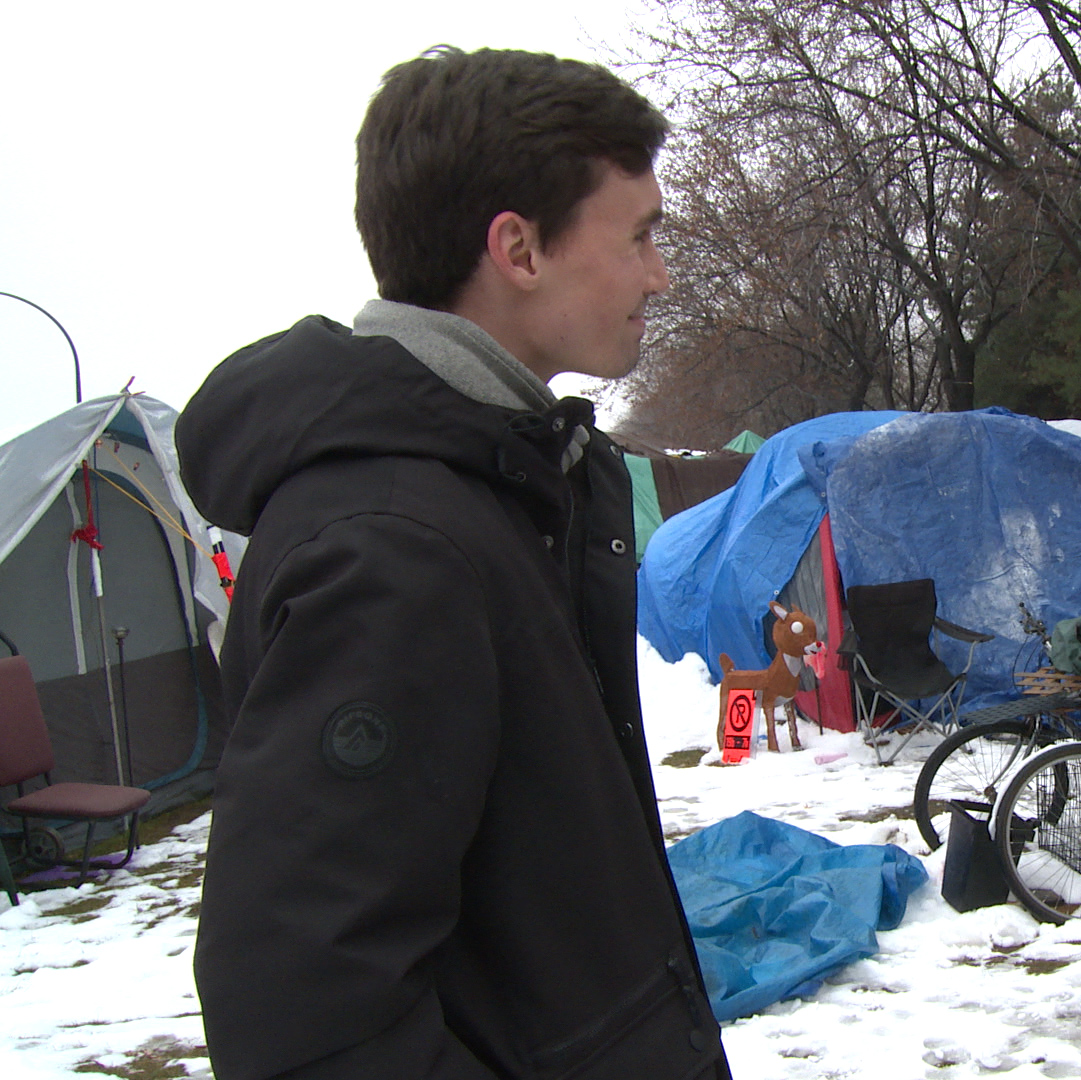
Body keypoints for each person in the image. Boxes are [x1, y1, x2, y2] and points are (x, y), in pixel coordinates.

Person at [178, 48, 729, 1080]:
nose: (660, 274)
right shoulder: (393, 548)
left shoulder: (509, 485)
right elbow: (309, 1022)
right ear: (518, 249)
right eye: (642, 236)